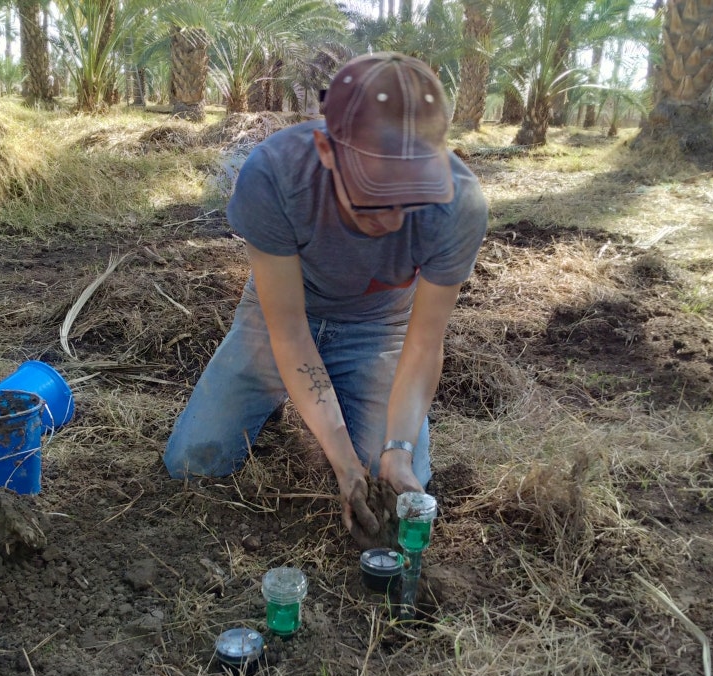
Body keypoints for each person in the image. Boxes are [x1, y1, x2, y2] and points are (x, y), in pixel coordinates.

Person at [164, 52, 488, 547]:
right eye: (371, 193)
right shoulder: (274, 174)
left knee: (404, 478)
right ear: (327, 148)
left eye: (410, 196)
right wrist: (342, 459)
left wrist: (396, 452)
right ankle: (270, 399)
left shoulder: (457, 205)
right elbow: (288, 331)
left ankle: (340, 404)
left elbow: (423, 345)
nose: (391, 220)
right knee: (192, 462)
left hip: (378, 326)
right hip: (287, 312)